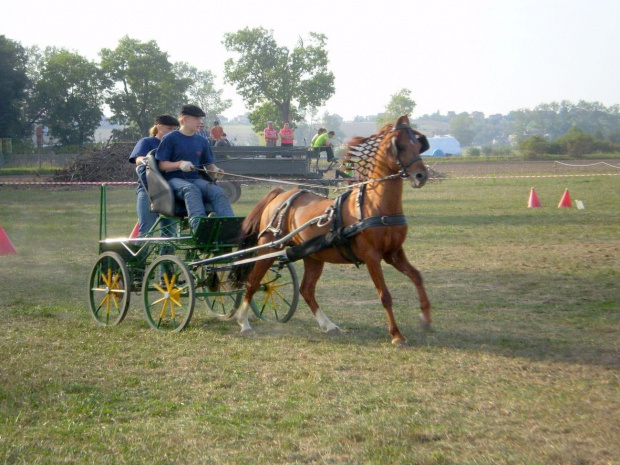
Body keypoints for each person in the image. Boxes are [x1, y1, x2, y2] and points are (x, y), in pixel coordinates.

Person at [155, 104, 234, 233]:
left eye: (200, 119)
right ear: (185, 119)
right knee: (191, 190)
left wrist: (215, 171)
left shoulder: (202, 141)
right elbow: (161, 165)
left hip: (195, 179)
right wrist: (179, 164)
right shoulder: (170, 138)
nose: (200, 122)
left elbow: (209, 165)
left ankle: (230, 230)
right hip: (174, 180)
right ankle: (199, 229)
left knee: (217, 191)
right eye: (197, 118)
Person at [128, 114, 180, 236]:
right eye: (169, 128)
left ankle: (166, 255)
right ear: (159, 127)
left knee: (170, 232)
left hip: (169, 191)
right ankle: (140, 253)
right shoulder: (147, 142)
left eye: (174, 129)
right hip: (148, 189)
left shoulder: (174, 145)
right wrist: (147, 160)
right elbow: (138, 159)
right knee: (146, 229)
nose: (172, 131)